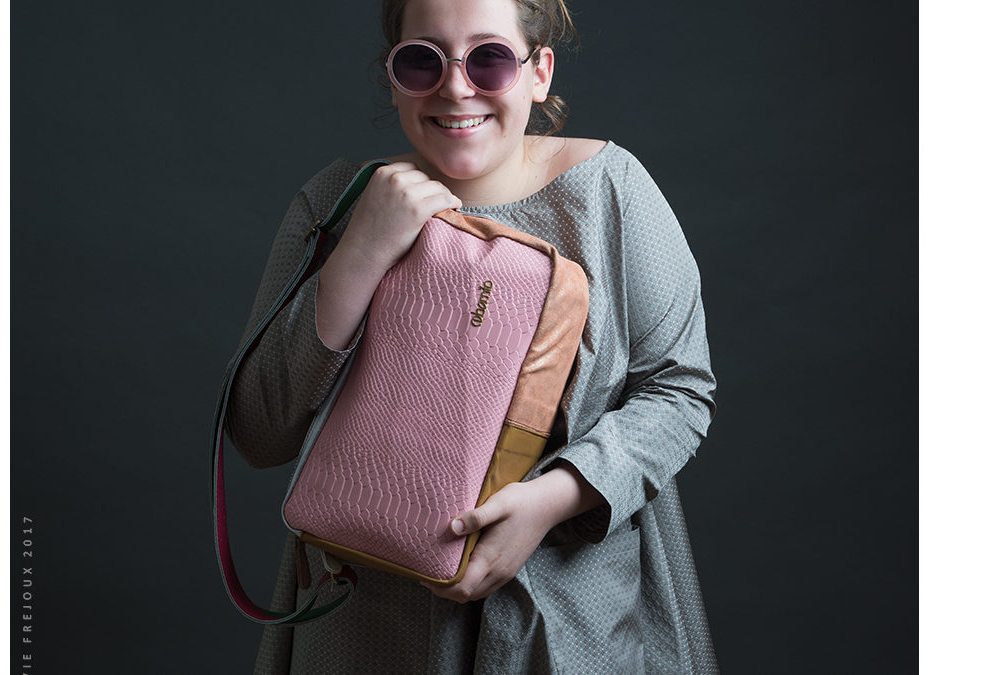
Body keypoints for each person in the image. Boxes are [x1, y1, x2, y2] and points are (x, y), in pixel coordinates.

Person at [225, 0, 718, 672]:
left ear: (537, 71)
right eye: (421, 61)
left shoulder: (609, 191)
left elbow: (679, 390)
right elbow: (257, 430)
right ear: (393, 76)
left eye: (488, 59)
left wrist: (552, 499)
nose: (455, 87)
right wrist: (360, 252)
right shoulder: (333, 204)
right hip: (366, 631)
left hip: (569, 623)